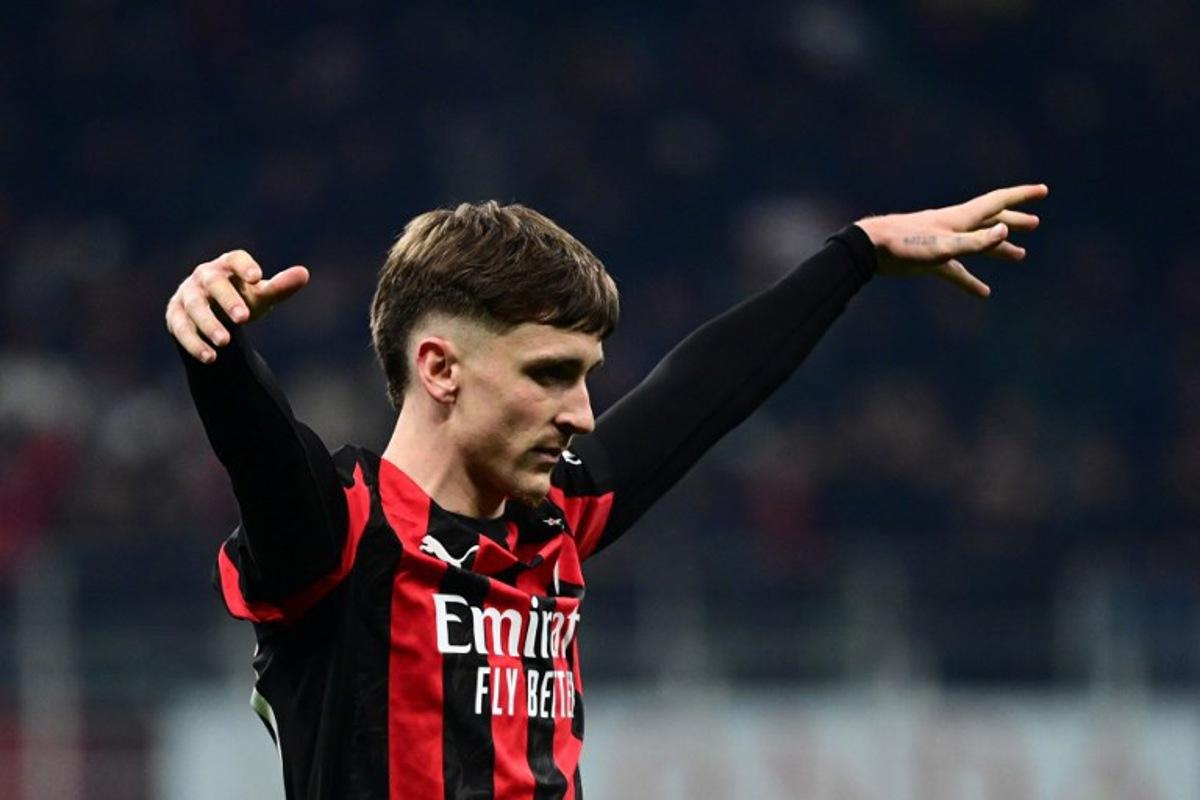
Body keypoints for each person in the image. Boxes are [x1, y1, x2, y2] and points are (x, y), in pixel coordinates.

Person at [166, 184, 1048, 799]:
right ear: (439, 368)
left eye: (587, 376)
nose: (584, 413)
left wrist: (855, 254)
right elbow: (261, 449)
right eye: (550, 374)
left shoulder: (555, 517)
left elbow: (705, 388)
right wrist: (215, 346)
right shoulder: (342, 534)